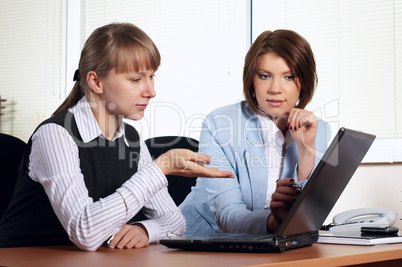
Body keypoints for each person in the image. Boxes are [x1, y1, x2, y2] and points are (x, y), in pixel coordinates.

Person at [0, 23, 233, 251]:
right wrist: (160, 167)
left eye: (152, 77)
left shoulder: (130, 138)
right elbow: (85, 232)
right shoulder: (55, 135)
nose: (151, 91)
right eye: (136, 79)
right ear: (96, 81)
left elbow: (175, 221)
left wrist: (145, 229)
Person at [180, 29, 331, 235]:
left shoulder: (317, 128)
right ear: (252, 79)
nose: (275, 88)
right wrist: (273, 222)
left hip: (274, 244)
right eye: (265, 76)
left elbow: (308, 214)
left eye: (289, 76)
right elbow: (227, 215)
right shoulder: (220, 124)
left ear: (303, 81)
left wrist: (306, 151)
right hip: (204, 243)